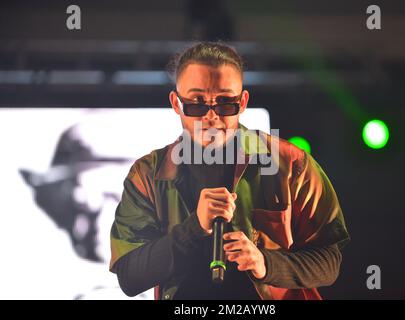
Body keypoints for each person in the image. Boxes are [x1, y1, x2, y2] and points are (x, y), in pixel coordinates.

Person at [109, 42, 350, 300]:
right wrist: (194, 227)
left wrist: (265, 263)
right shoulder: (147, 175)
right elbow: (129, 276)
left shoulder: (289, 164)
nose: (211, 117)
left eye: (225, 104)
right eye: (197, 104)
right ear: (176, 104)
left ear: (243, 101)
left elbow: (329, 262)